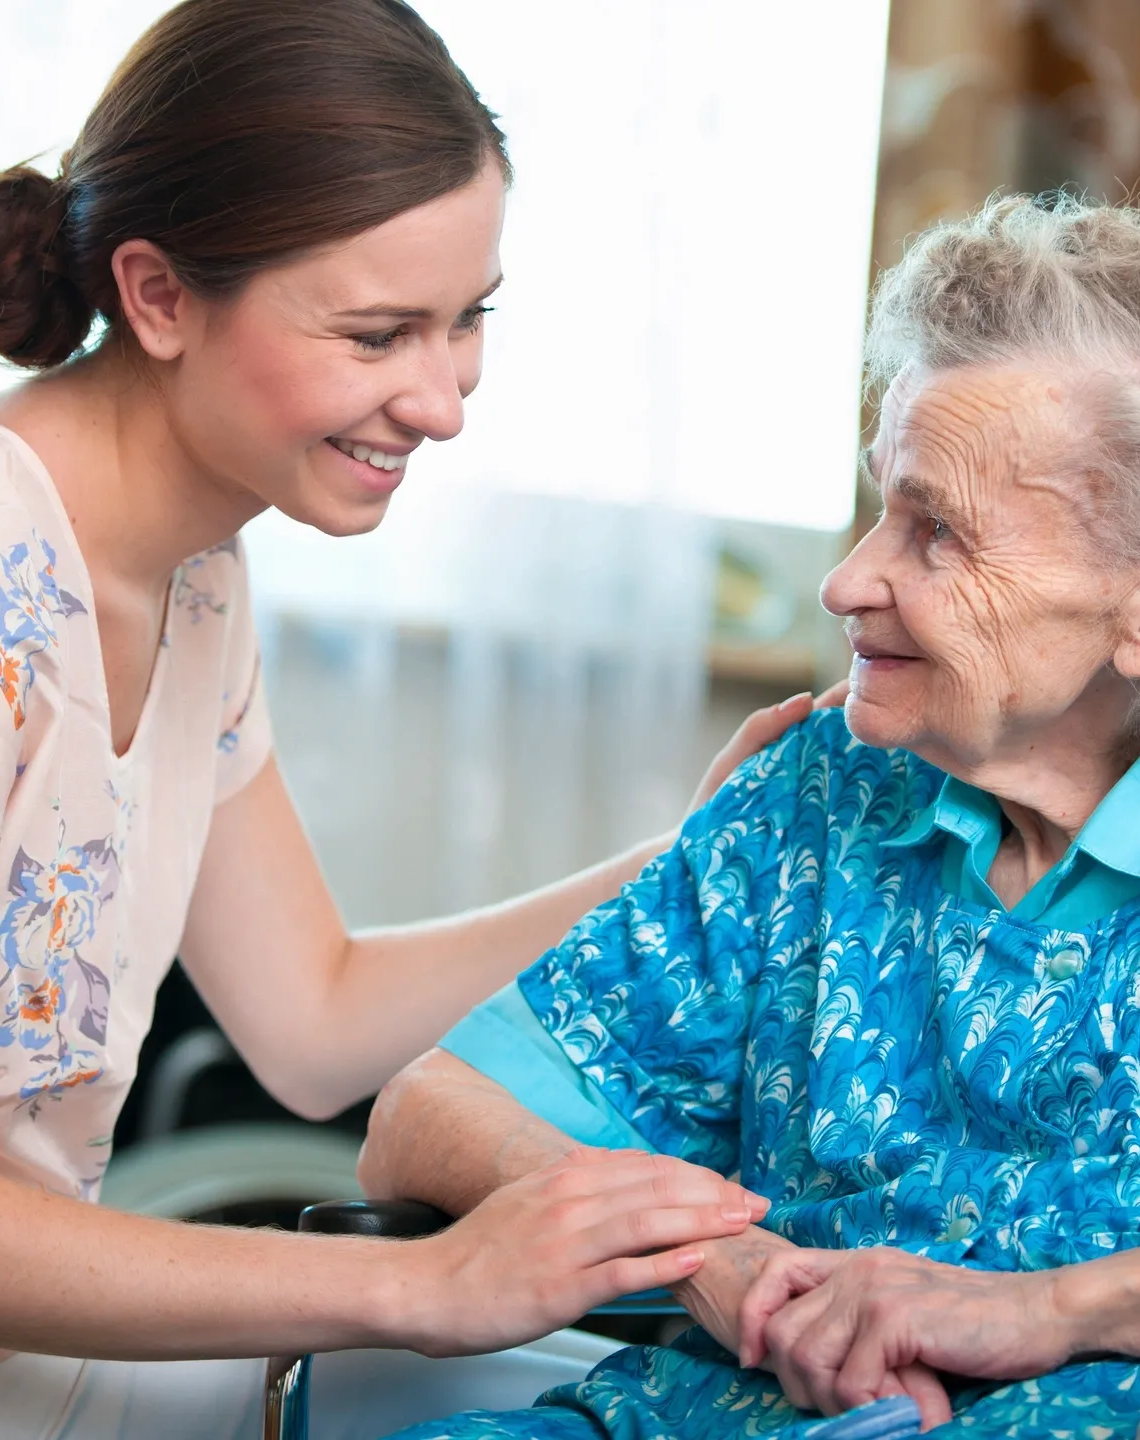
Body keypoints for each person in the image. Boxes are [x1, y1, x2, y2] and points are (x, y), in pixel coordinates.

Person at [0, 2, 824, 1436]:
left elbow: (313, 1019)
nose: (442, 403)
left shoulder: (197, 574)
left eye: (469, 319)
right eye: (380, 332)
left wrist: (691, 854)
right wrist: (428, 1285)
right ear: (159, 295)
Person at [361, 192, 1140, 1440]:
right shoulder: (827, 784)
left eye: (938, 533)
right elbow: (423, 1119)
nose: (848, 581)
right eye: (882, 505)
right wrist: (710, 1257)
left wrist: (1056, 1309)